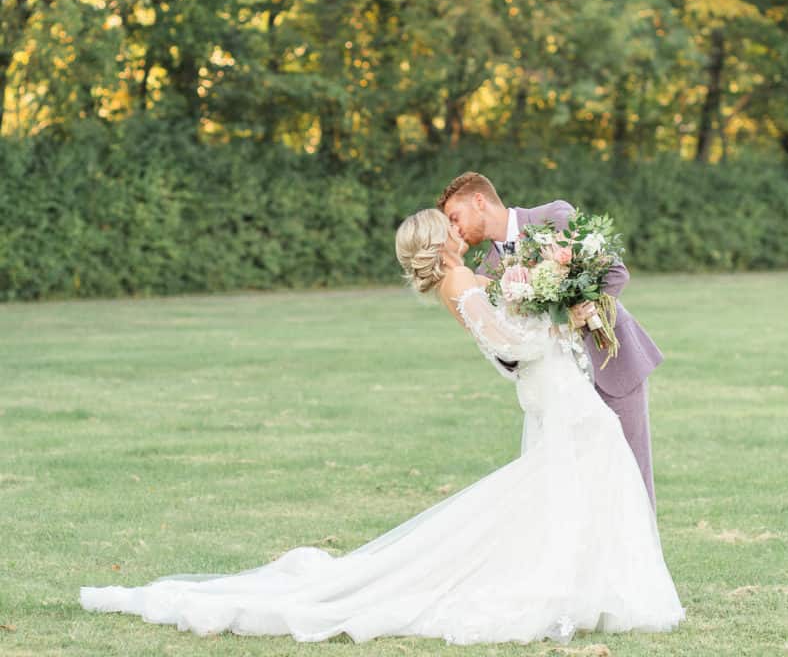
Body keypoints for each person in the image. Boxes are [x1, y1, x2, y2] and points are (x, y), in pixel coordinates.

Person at [80, 210, 684, 645]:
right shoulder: (457, 283)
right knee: (572, 475)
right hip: (550, 382)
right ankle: (578, 591)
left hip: (557, 384)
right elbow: (507, 344)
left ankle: (591, 588)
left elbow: (513, 330)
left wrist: (551, 306)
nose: (459, 230)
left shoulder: (470, 277)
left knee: (577, 479)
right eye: (449, 228)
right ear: (439, 244)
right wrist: (545, 316)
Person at [438, 171, 663, 505]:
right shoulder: (485, 273)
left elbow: (616, 274)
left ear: (480, 201)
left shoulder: (554, 217)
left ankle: (645, 558)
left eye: (455, 218)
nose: (455, 230)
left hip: (610, 361)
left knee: (631, 474)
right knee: (578, 486)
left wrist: (571, 309)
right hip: (560, 385)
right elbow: (508, 347)